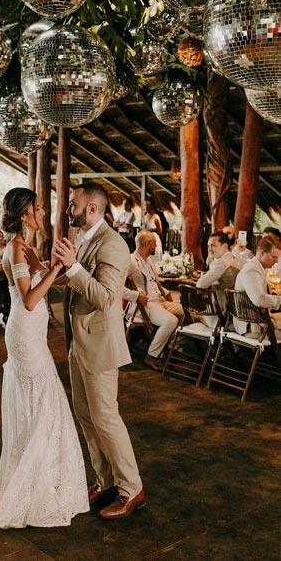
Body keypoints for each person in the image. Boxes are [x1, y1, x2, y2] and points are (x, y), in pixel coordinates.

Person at [0, 188, 88, 529]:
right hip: (25, 333)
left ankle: (44, 478)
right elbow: (30, 299)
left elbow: (48, 282)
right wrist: (56, 268)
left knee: (43, 403)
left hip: (35, 334)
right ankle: (34, 488)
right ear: (22, 213)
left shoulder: (28, 248)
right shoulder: (16, 249)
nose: (41, 211)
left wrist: (68, 265)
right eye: (36, 207)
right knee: (42, 403)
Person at [53, 182, 144, 520]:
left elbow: (106, 297)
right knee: (86, 416)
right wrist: (49, 276)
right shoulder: (85, 240)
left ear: (91, 208)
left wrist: (73, 268)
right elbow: (76, 283)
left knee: (106, 418)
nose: (67, 210)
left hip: (101, 345)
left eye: (72, 204)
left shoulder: (114, 244)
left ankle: (131, 489)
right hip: (79, 343)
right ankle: (104, 481)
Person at [125, 230, 184, 371]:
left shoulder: (149, 260)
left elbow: (154, 283)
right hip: (146, 304)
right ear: (146, 245)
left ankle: (168, 347)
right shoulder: (130, 261)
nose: (156, 245)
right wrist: (136, 295)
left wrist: (167, 292)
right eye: (154, 243)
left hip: (160, 300)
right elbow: (117, 287)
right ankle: (152, 355)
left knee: (187, 313)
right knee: (171, 321)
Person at [234, 234, 281, 339]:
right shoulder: (252, 270)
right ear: (262, 253)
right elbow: (259, 299)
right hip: (252, 327)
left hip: (257, 322)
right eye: (274, 257)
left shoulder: (258, 268)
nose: (276, 261)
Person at [197, 232, 240, 312]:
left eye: (213, 245)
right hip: (234, 308)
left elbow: (200, 284)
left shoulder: (221, 263)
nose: (209, 249)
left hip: (221, 310)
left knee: (186, 312)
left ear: (225, 246)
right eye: (208, 246)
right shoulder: (233, 258)